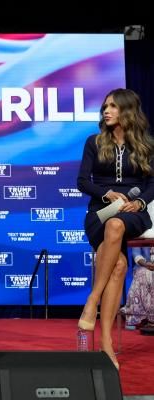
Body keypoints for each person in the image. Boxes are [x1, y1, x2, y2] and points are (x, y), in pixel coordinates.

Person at [77, 88, 154, 369]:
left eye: (112, 106)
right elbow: (82, 181)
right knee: (119, 266)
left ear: (127, 110)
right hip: (100, 212)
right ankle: (106, 343)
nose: (106, 111)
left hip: (132, 213)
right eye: (105, 106)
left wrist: (140, 202)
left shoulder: (147, 145)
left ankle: (92, 301)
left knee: (117, 223)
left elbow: (152, 184)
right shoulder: (94, 142)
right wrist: (106, 193)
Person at [121, 246, 154, 329]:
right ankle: (135, 316)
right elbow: (136, 255)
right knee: (144, 274)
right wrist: (146, 264)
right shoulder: (140, 237)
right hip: (143, 266)